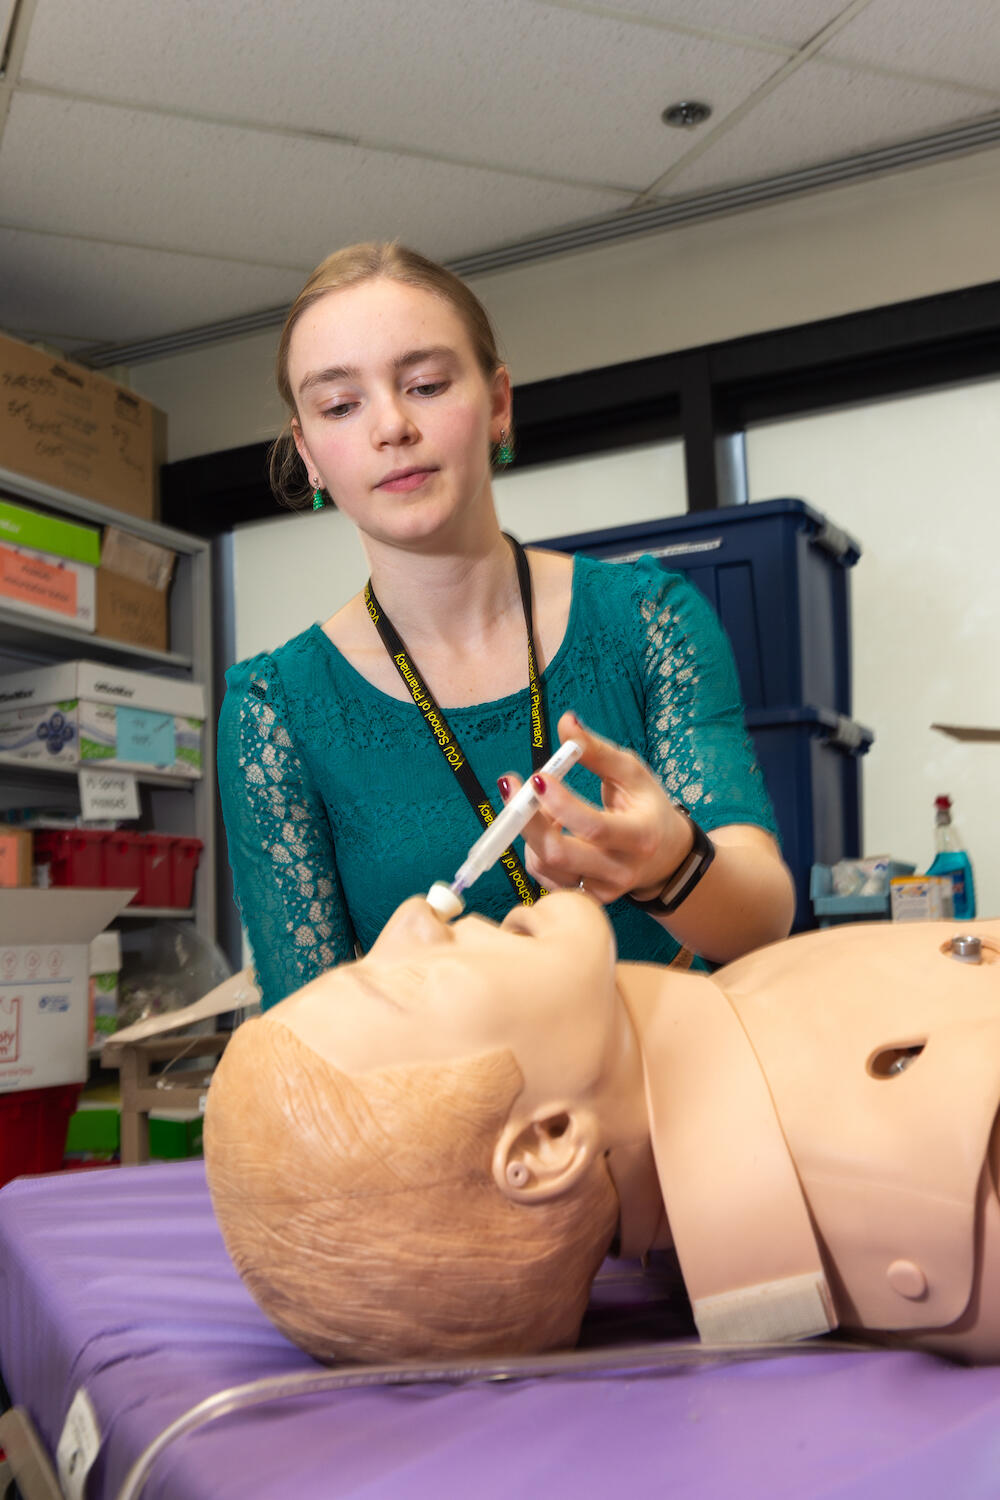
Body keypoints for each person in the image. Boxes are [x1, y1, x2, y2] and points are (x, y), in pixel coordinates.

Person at [217, 241, 794, 1011]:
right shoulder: (276, 710)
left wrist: (670, 863)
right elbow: (306, 1036)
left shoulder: (648, 621)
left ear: (497, 404)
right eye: (340, 406)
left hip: (677, 1106)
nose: (391, 425)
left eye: (424, 384)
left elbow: (762, 921)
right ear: (309, 456)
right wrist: (377, 994)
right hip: (451, 1121)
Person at [204, 896, 1000, 1366]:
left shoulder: (741, 1024)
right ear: (548, 1142)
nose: (415, 915)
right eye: (402, 984)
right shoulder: (918, 1170)